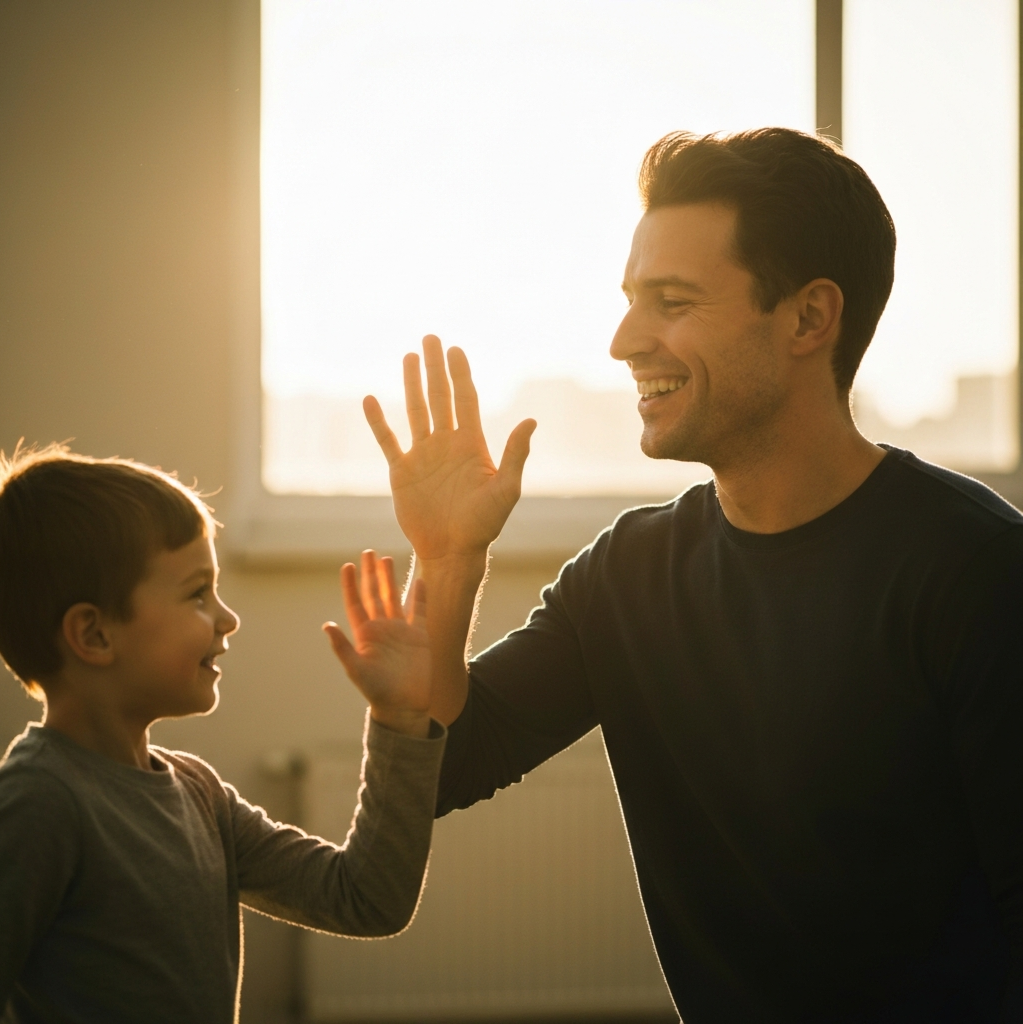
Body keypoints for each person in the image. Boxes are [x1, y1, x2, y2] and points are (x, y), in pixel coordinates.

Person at [363, 129, 1023, 1022]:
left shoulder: (976, 571)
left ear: (808, 318)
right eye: (633, 301)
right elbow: (444, 766)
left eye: (671, 302)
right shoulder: (626, 577)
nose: (625, 341)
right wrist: (448, 563)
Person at [0, 445, 445, 1023]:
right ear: (94, 634)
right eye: (196, 593)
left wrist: (400, 720)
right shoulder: (40, 803)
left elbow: (367, 899)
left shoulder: (200, 796)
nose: (227, 618)